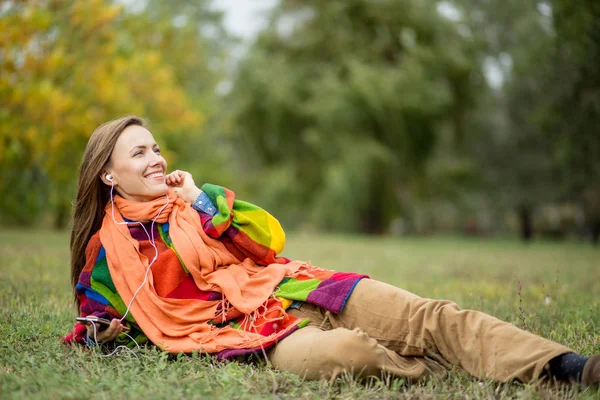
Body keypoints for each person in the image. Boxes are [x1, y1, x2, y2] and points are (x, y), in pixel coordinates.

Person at [63, 115, 599, 387]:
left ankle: (564, 367)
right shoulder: (106, 252)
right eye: (139, 153)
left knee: (427, 315)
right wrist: (101, 332)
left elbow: (269, 241)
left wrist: (200, 198)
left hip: (298, 287)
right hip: (243, 332)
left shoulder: (196, 203)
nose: (155, 158)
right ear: (109, 174)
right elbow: (100, 319)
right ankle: (449, 366)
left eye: (156, 148)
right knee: (351, 354)